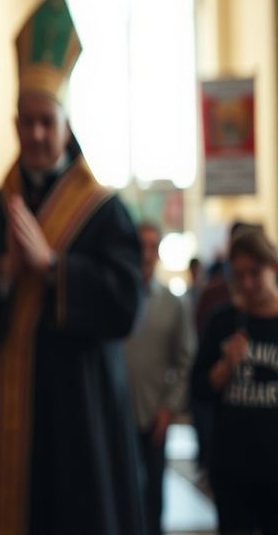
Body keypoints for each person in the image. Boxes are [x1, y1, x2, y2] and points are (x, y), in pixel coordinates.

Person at [0, 0, 145, 535]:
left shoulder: (104, 211)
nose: (35, 134)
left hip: (82, 415)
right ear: (15, 125)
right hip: (12, 415)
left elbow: (126, 302)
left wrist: (53, 267)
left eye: (46, 122)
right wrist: (3, 273)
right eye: (26, 121)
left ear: (65, 124)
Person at [190, 229, 278, 534]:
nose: (247, 284)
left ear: (273, 267)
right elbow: (198, 390)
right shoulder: (223, 321)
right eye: (239, 275)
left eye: (255, 273)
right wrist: (225, 365)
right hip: (232, 468)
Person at [122, 222, 194, 535]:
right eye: (141, 246)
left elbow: (184, 360)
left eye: (153, 246)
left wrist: (169, 406)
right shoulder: (116, 297)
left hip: (154, 416)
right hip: (116, 415)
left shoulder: (173, 304)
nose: (146, 254)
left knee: (152, 495)